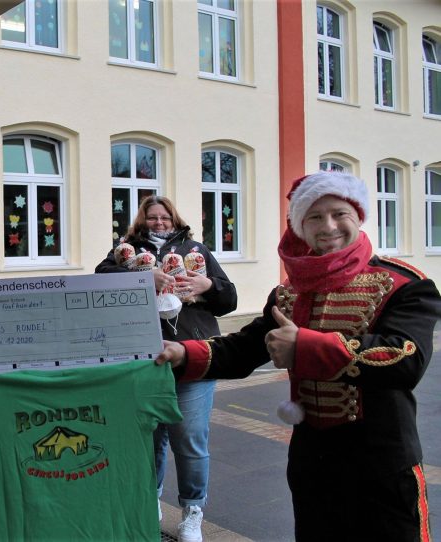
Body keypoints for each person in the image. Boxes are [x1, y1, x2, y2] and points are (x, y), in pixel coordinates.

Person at [158, 171, 440, 541]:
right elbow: (244, 348)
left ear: (359, 216)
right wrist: (182, 351)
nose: (329, 226)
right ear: (301, 226)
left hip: (382, 463)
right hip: (313, 461)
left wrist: (304, 347)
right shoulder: (289, 292)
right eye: (314, 217)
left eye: (340, 213)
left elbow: (406, 359)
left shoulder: (404, 284)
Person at [96, 195, 237, 542]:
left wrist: (208, 285)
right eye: (152, 217)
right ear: (141, 221)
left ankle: (192, 511)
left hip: (192, 356)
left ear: (175, 220)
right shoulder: (125, 250)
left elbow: (229, 299)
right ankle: (151, 501)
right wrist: (145, 279)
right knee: (150, 439)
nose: (159, 223)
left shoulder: (196, 250)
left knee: (188, 440)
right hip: (142, 359)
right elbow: (98, 281)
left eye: (165, 218)